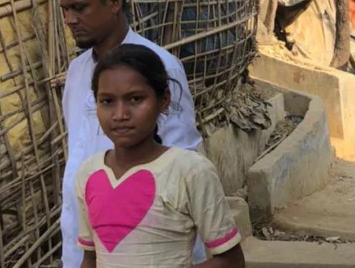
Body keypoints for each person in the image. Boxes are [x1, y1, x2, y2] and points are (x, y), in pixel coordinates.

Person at [58, 0, 204, 268]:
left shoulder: (159, 66)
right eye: (64, 10)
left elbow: (180, 166)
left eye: (79, 7)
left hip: (150, 250)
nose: (70, 19)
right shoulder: (76, 72)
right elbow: (78, 156)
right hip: (85, 245)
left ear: (113, 3)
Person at [76, 44, 245, 268]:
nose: (120, 115)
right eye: (107, 101)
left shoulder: (189, 171)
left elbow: (231, 261)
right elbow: (90, 258)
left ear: (163, 100)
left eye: (135, 99)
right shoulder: (89, 173)